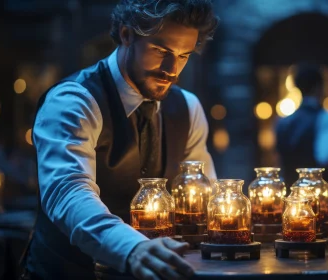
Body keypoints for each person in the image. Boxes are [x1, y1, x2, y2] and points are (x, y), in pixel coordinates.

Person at [19, 1, 219, 279]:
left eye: (184, 55)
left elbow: (203, 193)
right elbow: (68, 193)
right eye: (161, 50)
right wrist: (132, 249)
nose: (172, 69)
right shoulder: (74, 101)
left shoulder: (188, 107)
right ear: (126, 35)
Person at [275, 62, 328, 184]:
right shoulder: (327, 118)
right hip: (317, 193)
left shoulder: (283, 122)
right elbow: (325, 157)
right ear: (319, 87)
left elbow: (281, 161)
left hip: (290, 191)